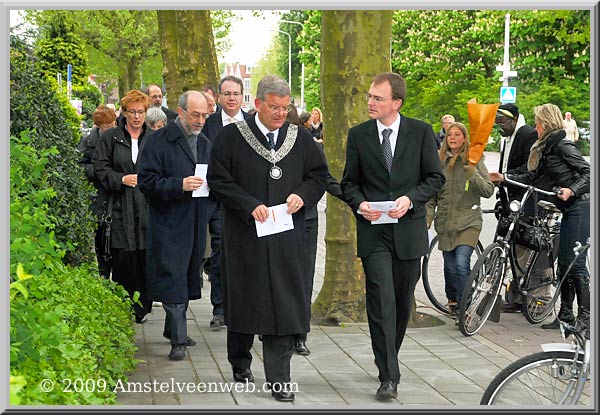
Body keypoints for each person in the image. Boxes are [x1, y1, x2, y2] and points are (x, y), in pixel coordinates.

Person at [207, 74, 327, 402]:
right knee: (246, 302)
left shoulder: (299, 138)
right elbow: (218, 180)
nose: (280, 114)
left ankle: (279, 378)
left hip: (286, 237)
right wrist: (249, 205)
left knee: (283, 305)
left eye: (286, 108)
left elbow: (319, 176)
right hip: (245, 237)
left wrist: (303, 195)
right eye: (274, 107)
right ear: (257, 103)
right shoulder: (231, 137)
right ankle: (240, 361)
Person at [341, 72, 444, 400]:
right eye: (370, 96)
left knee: (401, 303)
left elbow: (435, 178)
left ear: (396, 103)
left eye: (377, 98)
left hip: (409, 231)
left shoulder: (421, 132)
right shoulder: (358, 135)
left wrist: (411, 198)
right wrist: (361, 205)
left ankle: (389, 355)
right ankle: (389, 374)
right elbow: (348, 184)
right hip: (374, 235)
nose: (370, 102)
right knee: (381, 300)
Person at [490, 103, 590, 337]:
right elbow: (531, 176)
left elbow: (588, 172)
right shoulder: (545, 149)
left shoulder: (563, 146)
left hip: (581, 205)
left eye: (537, 123)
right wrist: (504, 178)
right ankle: (565, 315)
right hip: (569, 208)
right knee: (564, 263)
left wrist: (571, 190)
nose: (535, 127)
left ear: (545, 123)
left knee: (574, 263)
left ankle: (585, 317)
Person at [137, 91, 214, 361]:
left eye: (205, 115)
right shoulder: (157, 141)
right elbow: (146, 182)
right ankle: (178, 340)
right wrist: (178, 185)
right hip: (168, 221)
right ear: (180, 112)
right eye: (196, 115)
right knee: (173, 278)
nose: (201, 120)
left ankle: (173, 330)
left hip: (194, 220)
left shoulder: (205, 143)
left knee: (187, 277)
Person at [286, 106, 346, 356]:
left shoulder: (310, 146)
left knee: (303, 276)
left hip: (306, 220)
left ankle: (300, 333)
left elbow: (324, 178)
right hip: (274, 221)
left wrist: (353, 197)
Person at [92, 90, 153, 324]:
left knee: (144, 255)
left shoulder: (154, 137)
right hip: (119, 205)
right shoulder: (111, 138)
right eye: (132, 112)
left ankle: (143, 306)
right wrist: (121, 179)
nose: (137, 117)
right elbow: (100, 167)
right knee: (123, 256)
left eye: (141, 112)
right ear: (124, 112)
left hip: (146, 205)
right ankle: (124, 304)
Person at [426, 122, 495, 317]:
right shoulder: (439, 163)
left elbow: (488, 190)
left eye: (457, 134)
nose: (453, 138)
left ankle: (467, 304)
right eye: (449, 135)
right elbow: (432, 194)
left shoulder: (473, 160)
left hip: (469, 221)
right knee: (449, 267)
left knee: (461, 263)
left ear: (465, 138)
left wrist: (473, 175)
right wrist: (429, 215)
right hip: (446, 222)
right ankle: (454, 299)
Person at [201, 75, 252, 331]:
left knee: (249, 256)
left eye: (236, 94)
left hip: (249, 203)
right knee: (220, 256)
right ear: (219, 97)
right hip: (217, 202)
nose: (232, 98)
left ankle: (247, 307)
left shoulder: (254, 124)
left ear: (242, 96)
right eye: (227, 94)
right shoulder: (208, 125)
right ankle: (220, 308)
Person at [490, 103, 538, 313]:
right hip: (510, 198)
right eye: (497, 123)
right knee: (508, 244)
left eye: (503, 123)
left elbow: (529, 168)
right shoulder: (508, 137)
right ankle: (513, 292)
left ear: (514, 119)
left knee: (521, 248)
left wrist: (505, 177)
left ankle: (519, 296)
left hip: (524, 200)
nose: (500, 127)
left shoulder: (527, 135)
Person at [77, 104, 117, 278]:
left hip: (115, 194)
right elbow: (79, 165)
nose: (111, 128)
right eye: (108, 126)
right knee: (100, 237)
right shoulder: (88, 141)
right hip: (97, 196)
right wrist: (97, 172)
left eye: (113, 124)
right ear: (99, 126)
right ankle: (103, 273)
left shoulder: (118, 139)